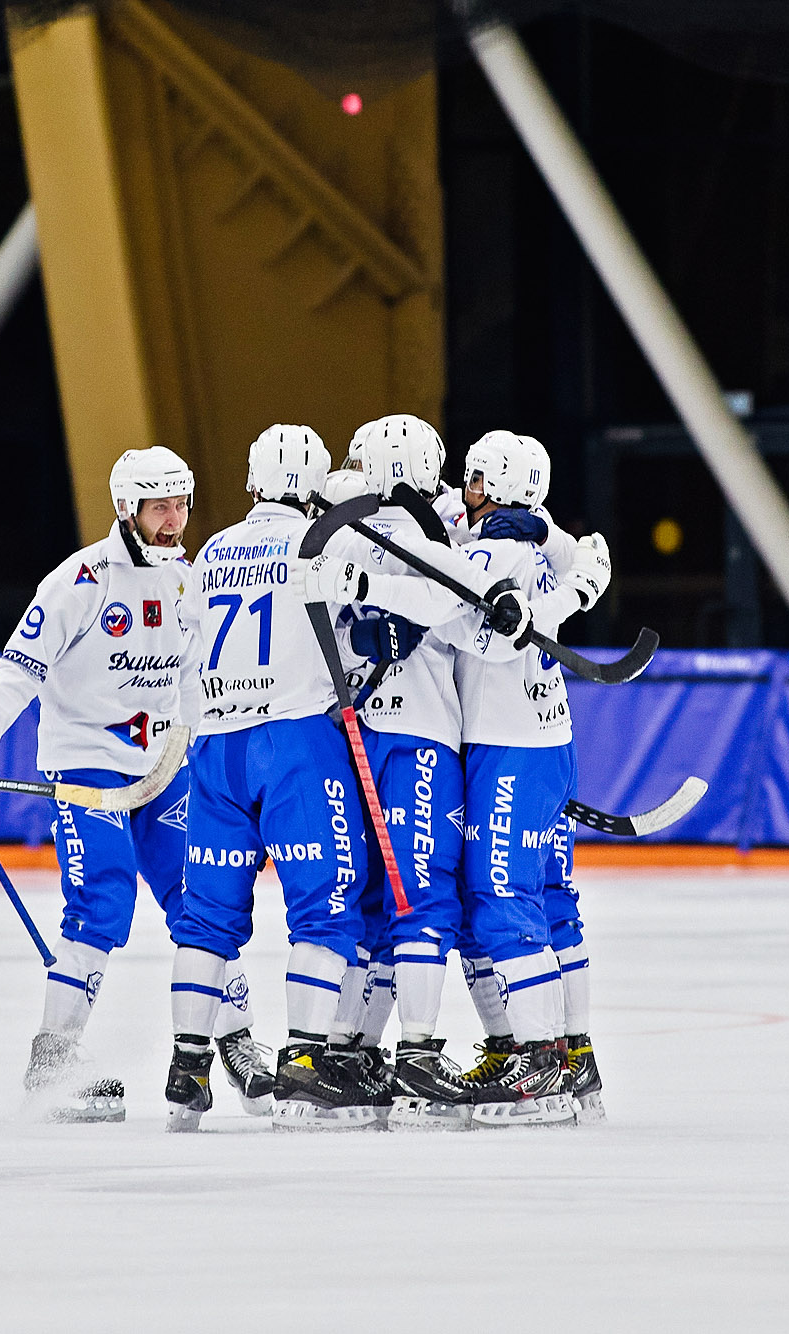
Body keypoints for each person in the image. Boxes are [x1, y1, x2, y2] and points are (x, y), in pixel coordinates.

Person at [162, 423, 511, 1132]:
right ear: (318, 484)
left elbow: (186, 649)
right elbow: (428, 594)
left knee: (205, 918)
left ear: (252, 482)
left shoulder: (211, 553)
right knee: (326, 908)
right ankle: (304, 1063)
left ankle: (186, 1068)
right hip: (292, 743)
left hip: (214, 745)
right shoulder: (328, 538)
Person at [0, 447, 234, 1123]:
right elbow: (20, 671)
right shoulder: (78, 582)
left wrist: (198, 743)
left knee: (202, 897)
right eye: (160, 507)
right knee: (102, 900)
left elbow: (189, 674)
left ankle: (237, 1044)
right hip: (86, 765)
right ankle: (52, 1060)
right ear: (126, 509)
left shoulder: (186, 580)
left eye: (182, 504)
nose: (175, 520)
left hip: (165, 764)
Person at [446, 431, 611, 1125]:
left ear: (503, 486)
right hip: (547, 741)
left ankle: (540, 1062)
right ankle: (574, 1057)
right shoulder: (543, 544)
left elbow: (479, 634)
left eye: (476, 480)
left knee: (503, 896)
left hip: (507, 746)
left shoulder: (493, 549)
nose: (466, 490)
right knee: (549, 901)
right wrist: (555, 549)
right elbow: (595, 557)